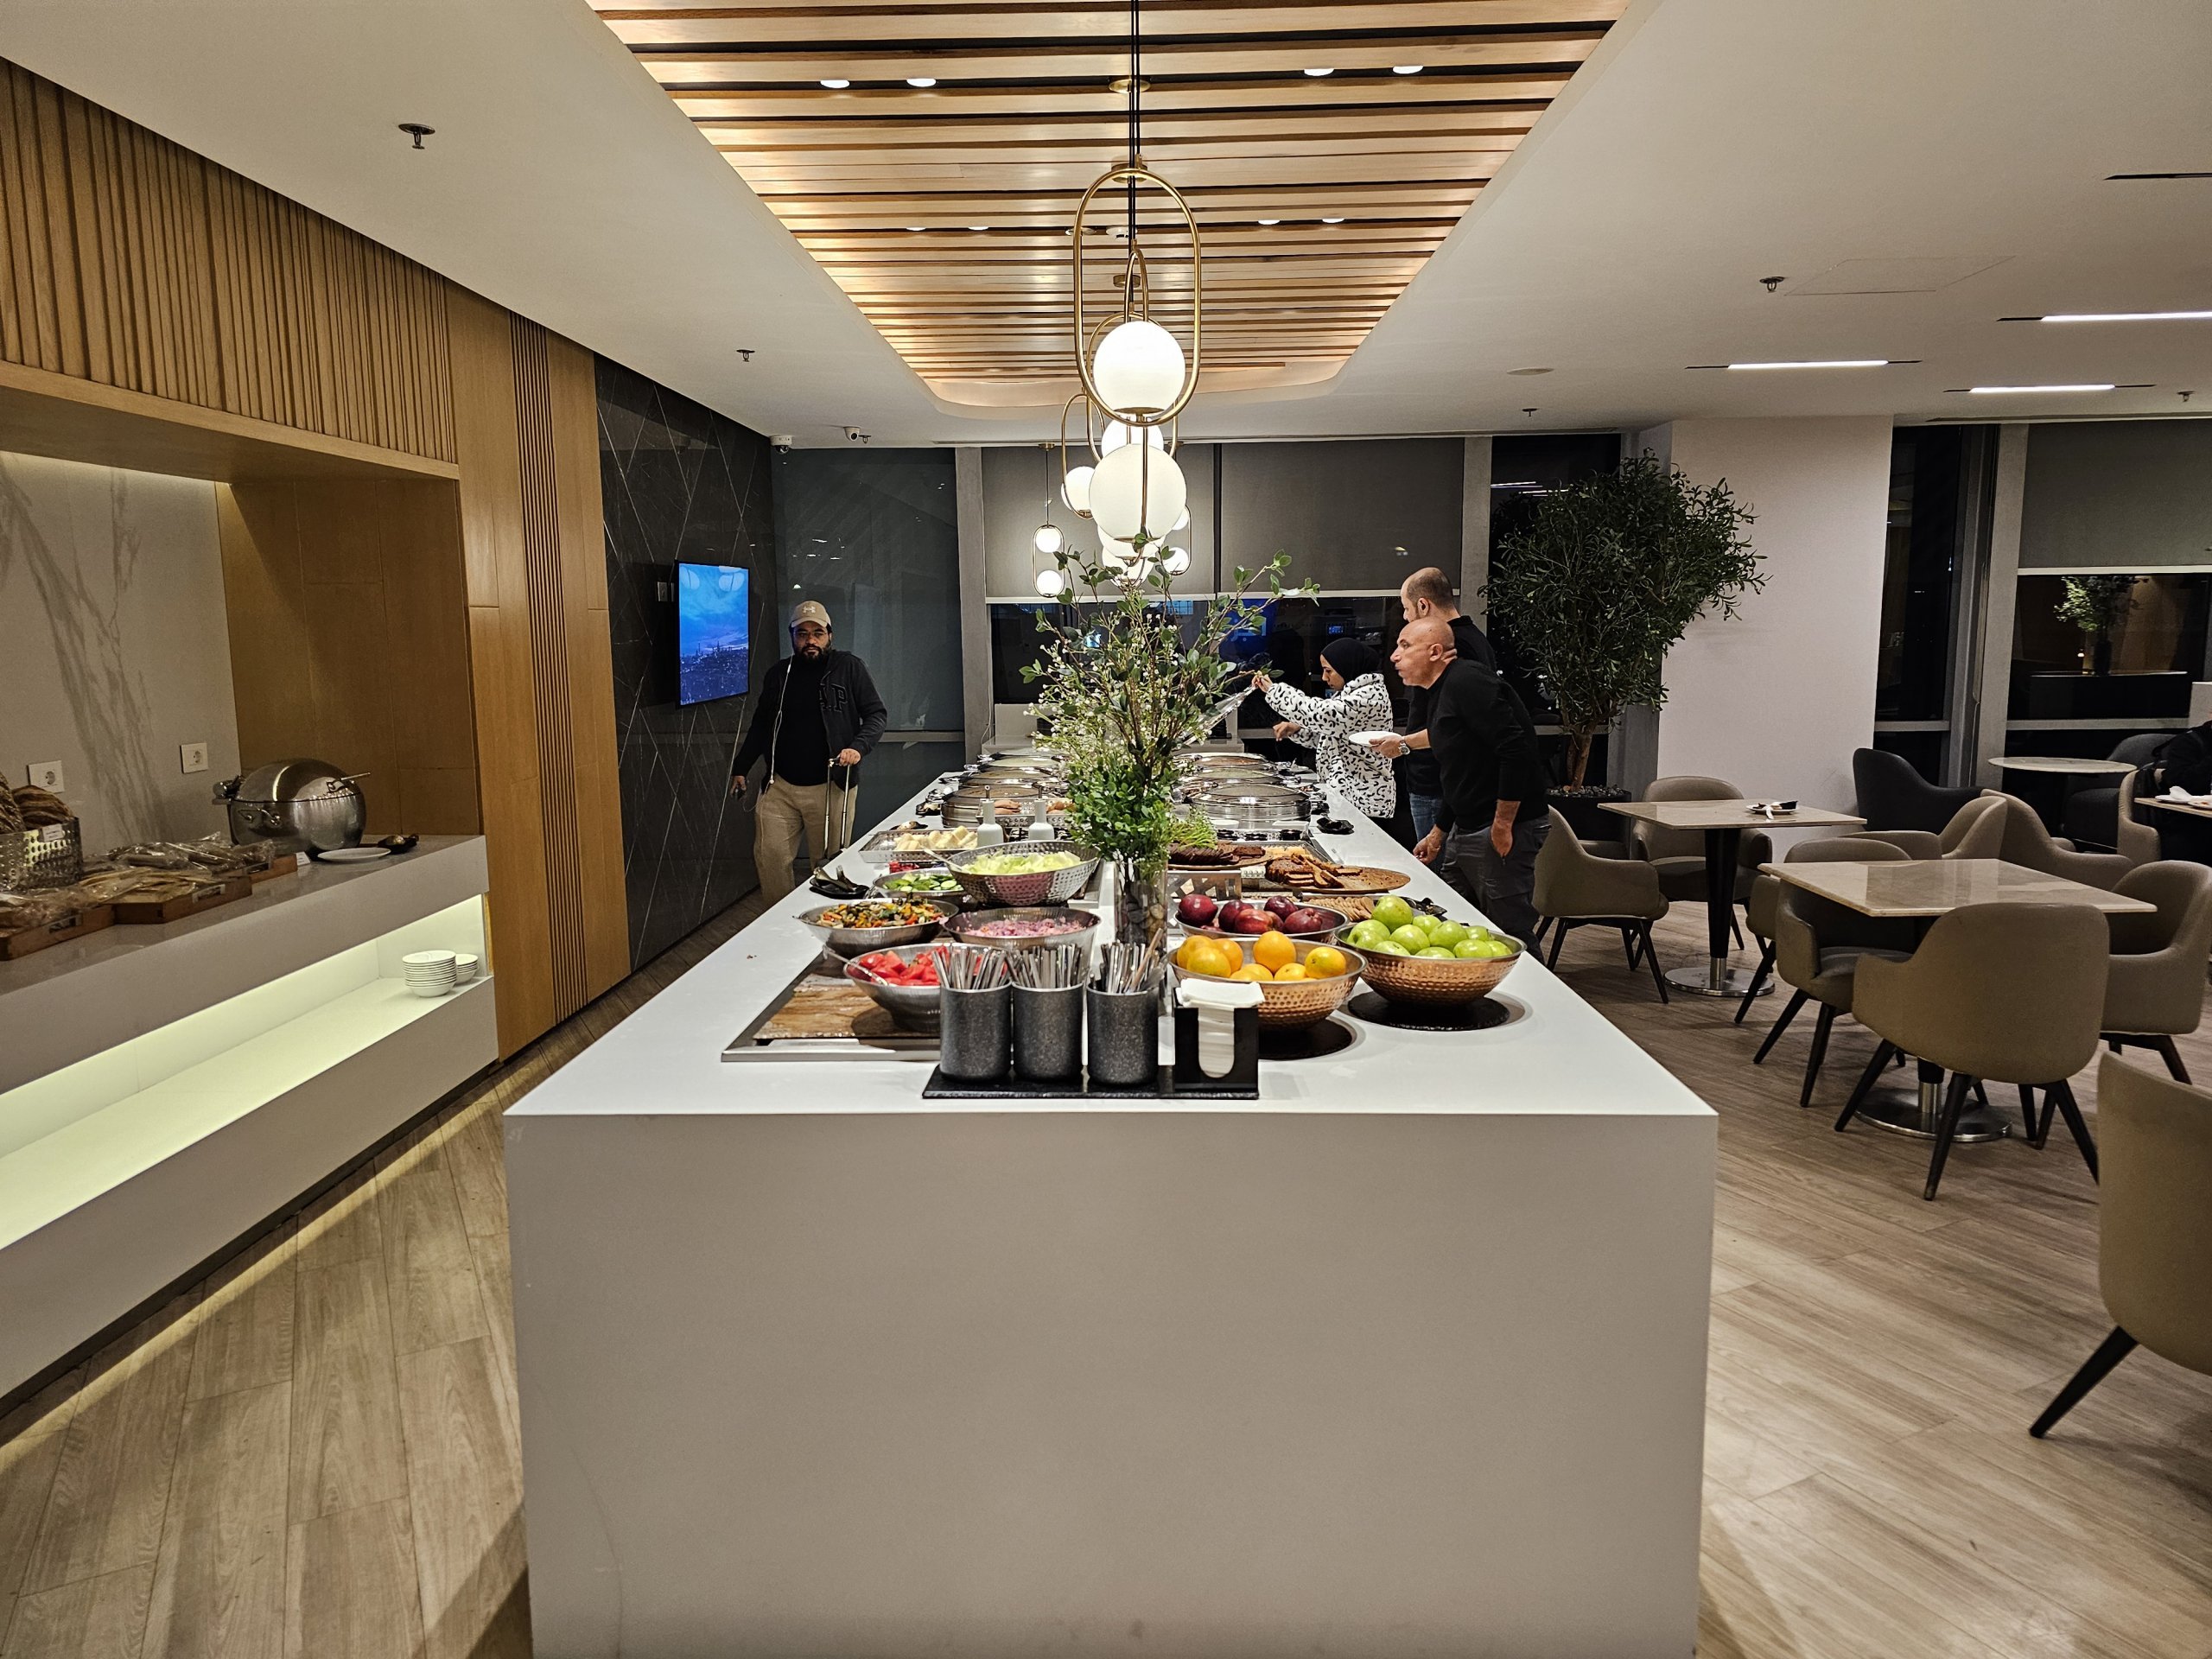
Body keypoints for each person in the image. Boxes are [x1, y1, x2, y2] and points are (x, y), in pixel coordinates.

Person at [1389, 617, 1548, 944]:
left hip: (1497, 827)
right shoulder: (1440, 690)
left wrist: (1503, 824)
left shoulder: (1467, 681)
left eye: (1405, 646)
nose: (1395, 655)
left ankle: (1529, 979)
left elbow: (1516, 749)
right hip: (1467, 826)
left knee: (1508, 932)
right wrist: (1438, 832)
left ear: (1436, 652)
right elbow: (1463, 769)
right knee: (1457, 922)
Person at [729, 600, 887, 902]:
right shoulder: (779, 674)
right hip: (779, 785)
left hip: (830, 785)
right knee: (770, 857)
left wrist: (858, 747)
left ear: (830, 635)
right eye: (802, 634)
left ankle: (822, 922)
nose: (810, 640)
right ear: (792, 637)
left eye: (818, 633)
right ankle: (778, 922)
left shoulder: (849, 667)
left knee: (828, 867)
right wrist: (741, 767)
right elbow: (761, 724)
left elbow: (876, 714)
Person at [1387, 567, 1497, 847]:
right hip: (1438, 782)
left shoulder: (1457, 647)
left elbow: (1460, 727)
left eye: (1406, 608)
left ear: (1423, 605)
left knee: (1439, 870)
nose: (1405, 617)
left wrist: (1403, 744)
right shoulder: (1473, 638)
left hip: (1439, 786)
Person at [1251, 638, 1397, 830]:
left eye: (1329, 671)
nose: (1324, 678)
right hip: (1348, 798)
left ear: (1346, 666)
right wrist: (1299, 730)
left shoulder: (1369, 697)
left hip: (1366, 801)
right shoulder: (1350, 694)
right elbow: (1332, 737)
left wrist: (1273, 690)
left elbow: (1319, 713)